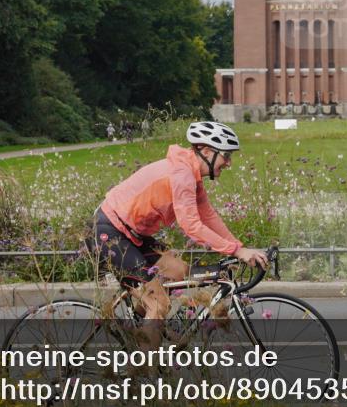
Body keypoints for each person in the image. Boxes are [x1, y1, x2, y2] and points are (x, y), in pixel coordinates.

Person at [93, 121, 268, 323]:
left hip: (132, 234)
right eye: (226, 155)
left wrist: (238, 248)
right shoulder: (182, 175)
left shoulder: (190, 174)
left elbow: (208, 217)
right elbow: (191, 226)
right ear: (207, 151)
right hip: (110, 232)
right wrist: (236, 251)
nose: (229, 163)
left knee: (178, 271)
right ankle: (148, 335)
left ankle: (140, 328)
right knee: (159, 305)